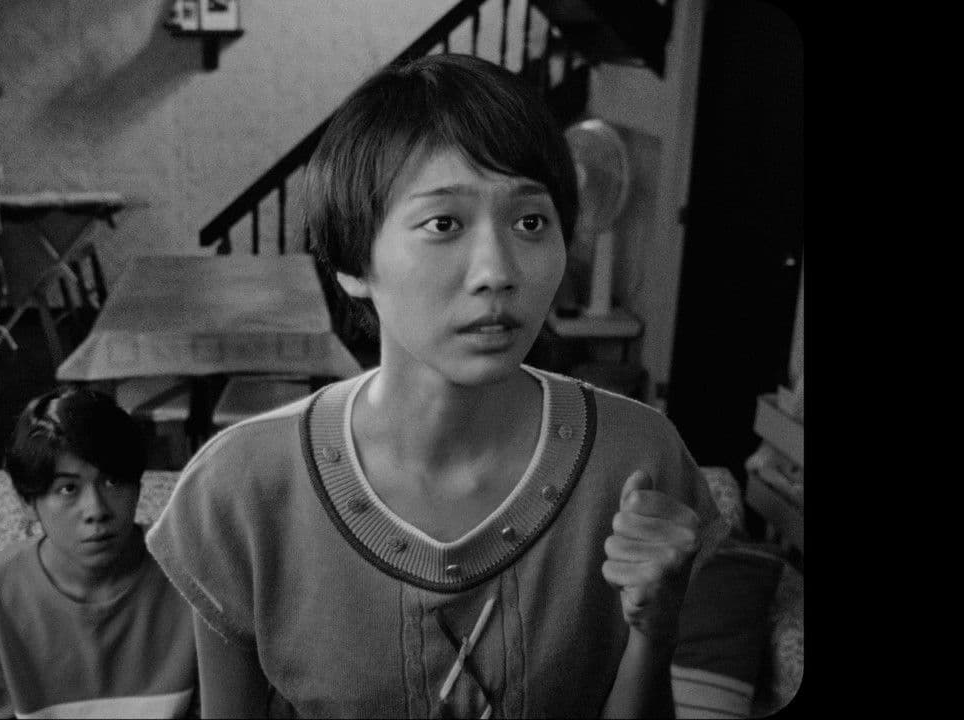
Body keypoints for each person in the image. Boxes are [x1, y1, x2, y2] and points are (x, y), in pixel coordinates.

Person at [146, 53, 728, 718]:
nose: (497, 271)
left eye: (530, 222)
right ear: (353, 261)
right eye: (444, 224)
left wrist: (655, 630)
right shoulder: (242, 488)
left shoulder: (638, 460)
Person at [0, 386, 198, 718]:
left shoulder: (194, 579)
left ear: (138, 487)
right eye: (68, 489)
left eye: (113, 482)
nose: (96, 510)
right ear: (28, 502)